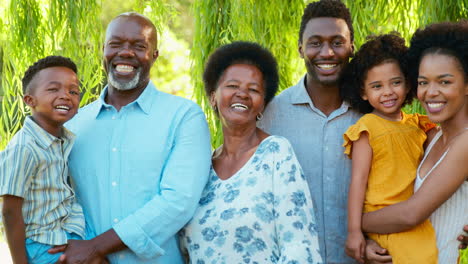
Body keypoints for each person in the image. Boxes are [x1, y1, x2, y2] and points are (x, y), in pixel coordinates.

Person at [49, 12, 212, 263]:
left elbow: (178, 201)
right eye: (116, 44)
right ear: (103, 50)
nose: (125, 53)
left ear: (154, 55)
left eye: (139, 46)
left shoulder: (184, 117)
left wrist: (97, 247)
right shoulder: (74, 124)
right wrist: (82, 247)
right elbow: (61, 198)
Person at [180, 41, 322, 264]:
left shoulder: (276, 153)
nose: (242, 94)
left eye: (253, 89)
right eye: (232, 86)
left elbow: (299, 246)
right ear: (212, 97)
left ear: (262, 105)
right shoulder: (201, 166)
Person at [257, 1, 360, 263]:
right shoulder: (269, 115)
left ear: (351, 48)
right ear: (301, 49)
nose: (327, 52)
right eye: (315, 43)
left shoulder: (371, 114)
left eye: (337, 42)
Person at [361, 21, 468, 264]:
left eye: (444, 82)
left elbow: (411, 213)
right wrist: (371, 238)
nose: (430, 92)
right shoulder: (432, 136)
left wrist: (353, 225)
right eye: (423, 82)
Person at [341, 34, 438, 264]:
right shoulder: (367, 128)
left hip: (418, 220)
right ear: (364, 92)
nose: (387, 92)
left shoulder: (419, 125)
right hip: (385, 222)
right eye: (377, 86)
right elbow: (358, 181)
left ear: (408, 84)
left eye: (396, 82)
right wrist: (354, 232)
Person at [0, 56, 85, 263]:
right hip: (41, 245)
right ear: (30, 100)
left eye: (73, 91)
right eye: (54, 89)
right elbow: (10, 212)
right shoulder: (24, 148)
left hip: (65, 236)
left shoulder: (64, 140)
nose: (66, 96)